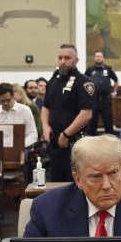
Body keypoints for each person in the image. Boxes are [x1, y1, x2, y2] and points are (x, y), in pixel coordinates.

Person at [41, 44, 95, 182]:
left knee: (75, 181)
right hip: (55, 142)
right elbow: (46, 107)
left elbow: (86, 114)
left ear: (76, 60)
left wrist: (66, 134)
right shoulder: (53, 81)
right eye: (60, 58)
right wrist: (45, 126)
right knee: (55, 181)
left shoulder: (84, 82)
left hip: (74, 142)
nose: (63, 61)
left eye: (67, 58)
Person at [0, 83, 37, 149]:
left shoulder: (25, 110)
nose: (5, 103)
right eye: (2, 101)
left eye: (8, 100)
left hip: (22, 147)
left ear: (13, 96)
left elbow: (33, 134)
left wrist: (21, 145)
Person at [84, 51, 118, 135]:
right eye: (97, 56)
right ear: (94, 58)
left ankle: (110, 143)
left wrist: (115, 92)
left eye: (100, 56)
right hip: (93, 100)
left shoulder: (108, 69)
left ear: (103, 58)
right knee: (92, 124)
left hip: (106, 100)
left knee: (108, 124)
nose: (98, 58)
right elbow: (84, 83)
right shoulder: (89, 69)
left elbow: (116, 81)